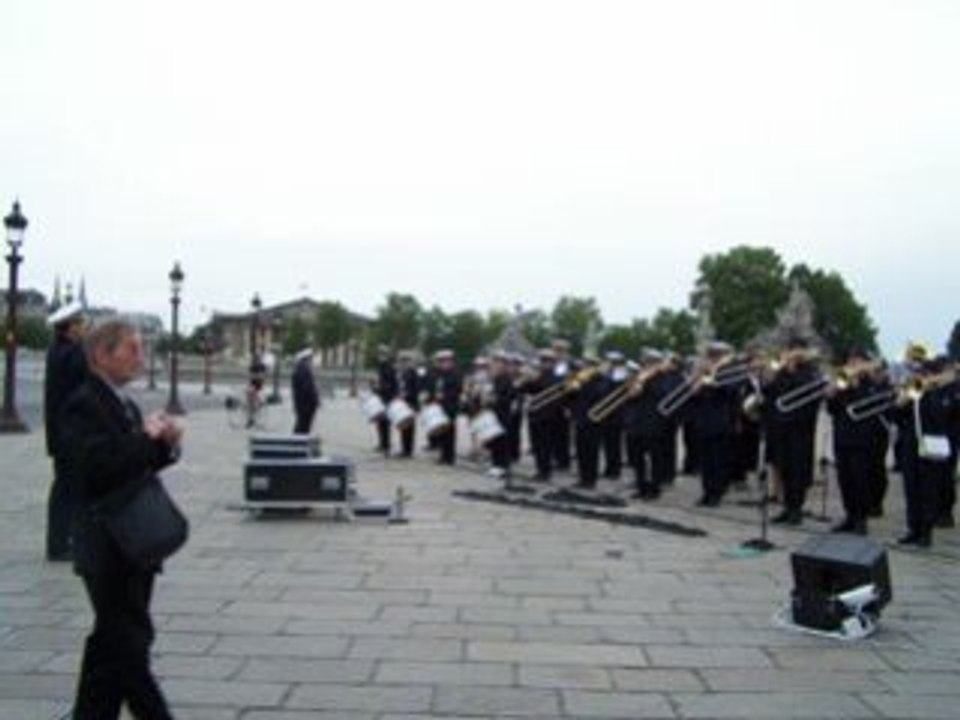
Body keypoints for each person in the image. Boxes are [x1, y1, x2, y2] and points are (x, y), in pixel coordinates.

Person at [60, 317, 184, 720]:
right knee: (130, 645)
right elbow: (99, 470)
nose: (141, 358)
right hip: (108, 545)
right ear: (101, 354)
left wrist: (164, 445)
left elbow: (135, 466)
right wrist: (145, 439)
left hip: (131, 543)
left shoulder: (119, 401)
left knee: (110, 647)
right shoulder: (83, 404)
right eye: (132, 349)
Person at [43, 301, 88, 561]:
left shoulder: (57, 351)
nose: (84, 328)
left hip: (61, 433)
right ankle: (59, 544)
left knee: (65, 487)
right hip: (70, 434)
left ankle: (62, 539)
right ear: (70, 328)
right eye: (80, 324)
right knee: (67, 489)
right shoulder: (72, 354)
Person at [290, 347, 319, 434]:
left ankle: (297, 443)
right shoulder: (304, 369)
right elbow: (308, 388)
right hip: (306, 405)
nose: (311, 360)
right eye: (310, 358)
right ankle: (297, 445)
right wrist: (315, 400)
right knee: (303, 427)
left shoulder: (299, 368)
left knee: (301, 425)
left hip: (302, 404)